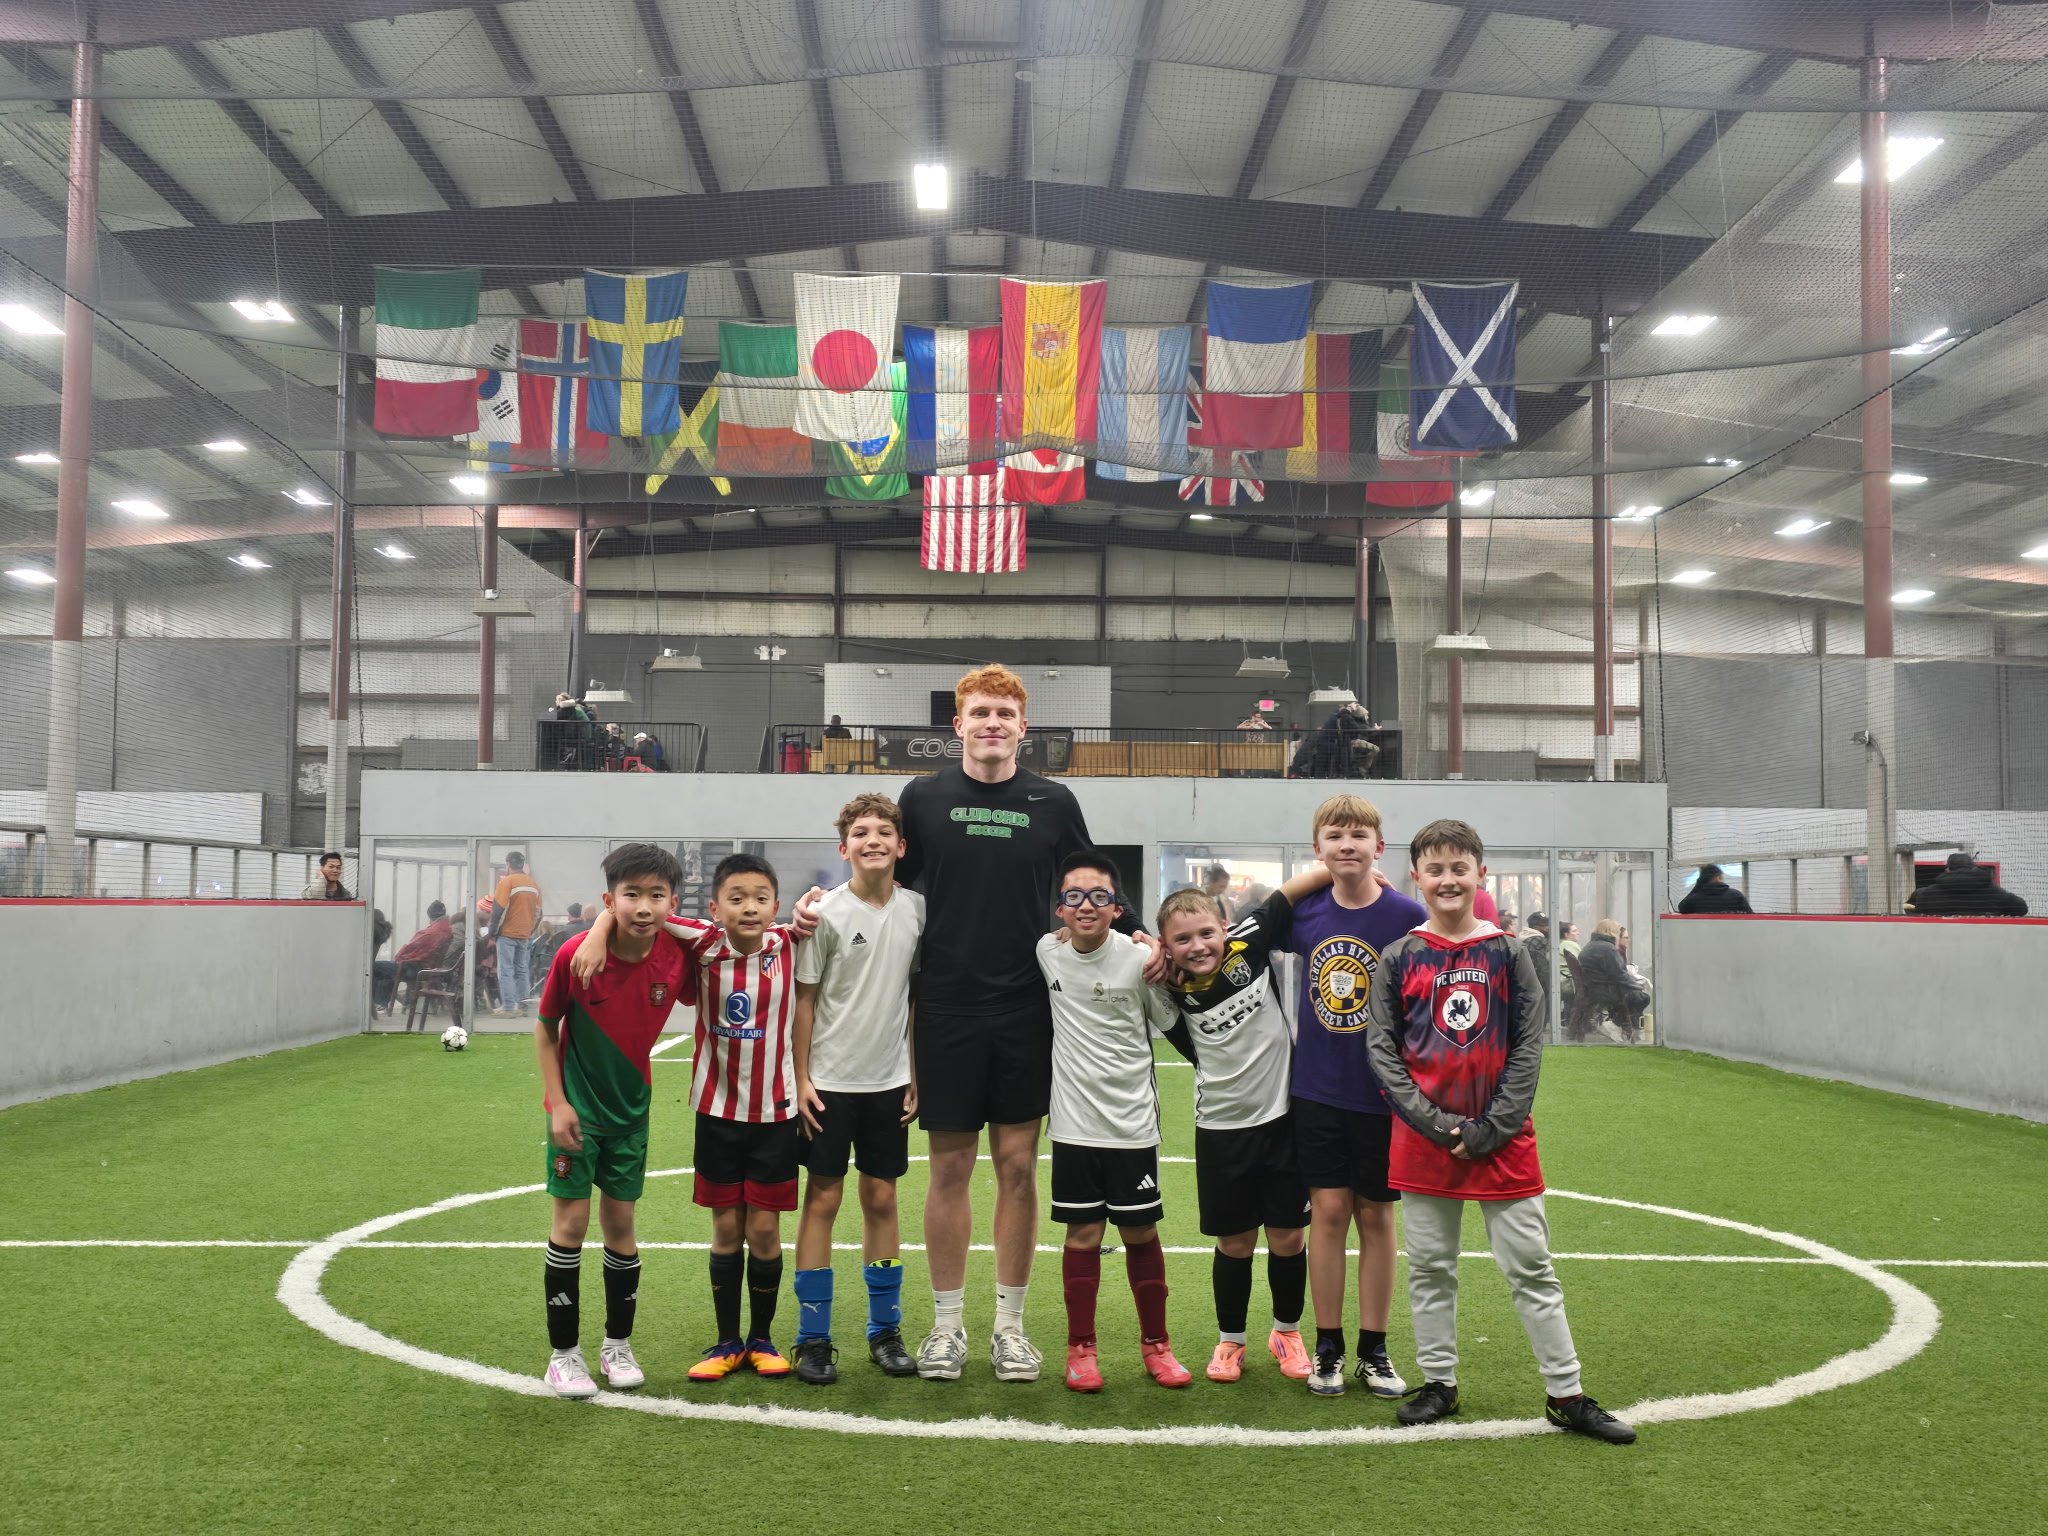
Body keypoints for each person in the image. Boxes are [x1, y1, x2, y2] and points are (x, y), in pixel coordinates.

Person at [798, 664, 1158, 1385]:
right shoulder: (922, 799)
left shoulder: (1053, 801)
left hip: (1027, 1004)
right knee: (951, 1168)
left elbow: (1089, 875)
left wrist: (1141, 931)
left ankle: (1011, 1328)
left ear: (1023, 729)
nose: (992, 723)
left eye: (1005, 714)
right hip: (945, 1006)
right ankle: (947, 1326)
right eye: (980, 713)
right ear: (957, 726)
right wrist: (819, 902)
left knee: (1019, 1168)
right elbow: (885, 877)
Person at [1367, 818, 1636, 1444]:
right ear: (1417, 878)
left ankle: (1565, 1393)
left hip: (1503, 1141)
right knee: (1430, 1267)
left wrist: (1493, 1126)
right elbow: (1383, 1052)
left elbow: (1526, 1047)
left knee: (1532, 1269)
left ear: (1479, 875)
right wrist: (1437, 1124)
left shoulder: (1511, 952)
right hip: (1425, 1141)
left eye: (1460, 868)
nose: (1448, 879)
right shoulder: (1399, 957)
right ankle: (1439, 1383)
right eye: (1435, 869)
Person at [575, 853, 805, 1382]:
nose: (750, 908)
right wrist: (595, 930)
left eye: (761, 898)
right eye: (737, 898)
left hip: (775, 1114)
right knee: (726, 1228)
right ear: (715, 907)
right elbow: (641, 906)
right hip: (716, 1112)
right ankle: (726, 1342)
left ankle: (763, 1340)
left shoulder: (793, 944)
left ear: (776, 904)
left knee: (765, 1231)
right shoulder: (702, 942)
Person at [1154, 859, 1336, 1384]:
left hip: (1283, 1121)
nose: (1198, 945)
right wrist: (1147, 947)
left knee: (1286, 1238)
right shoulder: (1165, 986)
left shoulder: (1249, 944)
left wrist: (1355, 874)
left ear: (1225, 929)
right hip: (1220, 1130)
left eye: (1206, 932)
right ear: (1167, 947)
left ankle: (1287, 1332)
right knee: (1234, 1243)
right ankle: (1230, 1340)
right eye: (1182, 938)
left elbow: (1290, 889)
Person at [532, 842, 693, 1399]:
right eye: (630, 895)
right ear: (610, 898)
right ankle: (564, 1356)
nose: (644, 906)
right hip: (577, 1115)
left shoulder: (678, 955)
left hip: (632, 1114)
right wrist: (557, 1103)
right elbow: (545, 1029)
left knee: (621, 1227)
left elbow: (724, 934)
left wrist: (607, 921)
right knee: (571, 1226)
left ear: (673, 901)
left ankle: (616, 1346)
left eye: (656, 895)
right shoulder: (576, 955)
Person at [1281, 794, 1424, 1398]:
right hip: (1316, 1091)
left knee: (1376, 1215)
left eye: (1358, 835)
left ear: (1379, 847)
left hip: (1383, 1095)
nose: (1347, 844)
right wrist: (1304, 883)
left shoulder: (1406, 917)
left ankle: (1375, 1348)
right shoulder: (1305, 913)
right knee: (1330, 1214)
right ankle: (1329, 1346)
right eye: (1334, 836)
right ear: (1318, 849)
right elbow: (1246, 921)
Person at [1036, 852, 1189, 1392]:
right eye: (1074, 895)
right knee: (1082, 1235)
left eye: (1099, 896)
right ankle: (1081, 1349)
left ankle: (1157, 1347)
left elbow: (1174, 1025)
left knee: (1140, 1231)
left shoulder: (1139, 961)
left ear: (1117, 908)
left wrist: (1158, 953)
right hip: (1074, 1127)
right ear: (1059, 908)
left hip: (1132, 1126)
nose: (1086, 905)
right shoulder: (1047, 952)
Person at [790, 793, 927, 1385]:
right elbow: (805, 1001)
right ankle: (812, 1339)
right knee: (822, 1198)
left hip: (890, 1082)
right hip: (829, 1085)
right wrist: (799, 1079)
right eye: (861, 833)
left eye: (885, 832)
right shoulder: (823, 914)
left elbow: (915, 1001)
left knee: (882, 1199)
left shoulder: (918, 909)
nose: (874, 840)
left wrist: (915, 1072)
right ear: (843, 848)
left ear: (901, 846)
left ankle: (885, 1330)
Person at [491, 853, 544, 1017]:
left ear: (508, 864)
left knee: (506, 970)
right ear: (522, 865)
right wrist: (529, 930)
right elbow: (539, 913)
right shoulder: (534, 884)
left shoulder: (507, 882)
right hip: (525, 934)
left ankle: (508, 1008)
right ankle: (522, 1007)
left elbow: (498, 909)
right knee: (522, 970)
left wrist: (492, 932)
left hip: (507, 933)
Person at [1578, 919, 1649, 1039]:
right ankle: (1616, 1025)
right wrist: (1637, 985)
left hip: (1593, 988)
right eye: (1617, 932)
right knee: (1642, 997)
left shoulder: (1591, 945)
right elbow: (1620, 974)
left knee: (1635, 995)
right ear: (1611, 932)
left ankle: (1623, 1027)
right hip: (1605, 991)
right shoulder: (1608, 949)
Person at [1905, 852, 2030, 916]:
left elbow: (1910, 909)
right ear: (1973, 867)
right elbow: (2021, 909)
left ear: (1948, 869)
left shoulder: (1927, 895)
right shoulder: (1995, 894)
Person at [1287, 701, 1380, 779]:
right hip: (1333, 745)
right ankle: (1346, 772)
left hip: (1327, 745)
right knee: (1323, 764)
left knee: (1320, 765)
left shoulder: (1338, 717)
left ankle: (1318, 776)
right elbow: (1359, 728)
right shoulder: (1344, 717)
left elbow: (1359, 728)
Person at [1678, 864, 1754, 914]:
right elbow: (1750, 915)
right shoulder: (1735, 895)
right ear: (1718, 877)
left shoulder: (1693, 899)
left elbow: (1682, 908)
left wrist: (1697, 886)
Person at [370, 909, 396, 1014]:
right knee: (382, 973)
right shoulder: (383, 931)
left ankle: (378, 1003)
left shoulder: (372, 931)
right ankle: (381, 1002)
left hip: (368, 965)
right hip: (373, 964)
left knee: (375, 971)